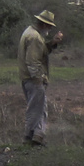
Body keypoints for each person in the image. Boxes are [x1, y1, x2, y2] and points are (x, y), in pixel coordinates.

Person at [18, 10, 64, 146]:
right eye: (49, 26)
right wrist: (39, 79)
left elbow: (41, 52)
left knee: (40, 108)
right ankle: (28, 137)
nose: (49, 28)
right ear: (44, 24)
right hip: (33, 79)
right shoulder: (34, 37)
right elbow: (33, 61)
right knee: (35, 109)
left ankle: (38, 137)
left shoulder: (30, 32)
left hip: (28, 78)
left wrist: (53, 42)